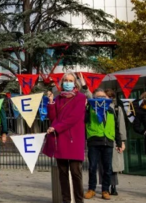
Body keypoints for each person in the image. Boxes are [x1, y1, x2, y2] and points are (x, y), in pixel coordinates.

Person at [43, 72, 87, 203]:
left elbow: (74, 118)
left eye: (70, 80)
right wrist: (51, 104)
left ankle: (79, 200)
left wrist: (57, 127)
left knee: (76, 173)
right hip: (60, 138)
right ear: (62, 83)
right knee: (62, 174)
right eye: (66, 80)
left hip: (74, 139)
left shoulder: (81, 98)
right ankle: (66, 200)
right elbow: (53, 117)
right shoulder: (58, 98)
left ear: (75, 83)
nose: (68, 82)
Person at [84, 88, 122, 200]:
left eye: (103, 97)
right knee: (92, 167)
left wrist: (119, 142)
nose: (101, 99)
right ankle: (91, 189)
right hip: (94, 141)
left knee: (107, 168)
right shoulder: (90, 108)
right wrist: (86, 107)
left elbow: (115, 127)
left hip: (108, 141)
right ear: (94, 98)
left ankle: (105, 190)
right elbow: (84, 121)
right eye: (98, 97)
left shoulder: (111, 110)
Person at [97, 89, 126, 196]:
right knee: (103, 165)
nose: (107, 98)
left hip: (113, 140)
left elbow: (121, 126)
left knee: (113, 165)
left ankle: (113, 186)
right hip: (101, 139)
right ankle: (105, 187)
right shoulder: (98, 107)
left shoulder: (117, 109)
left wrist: (122, 141)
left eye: (109, 97)